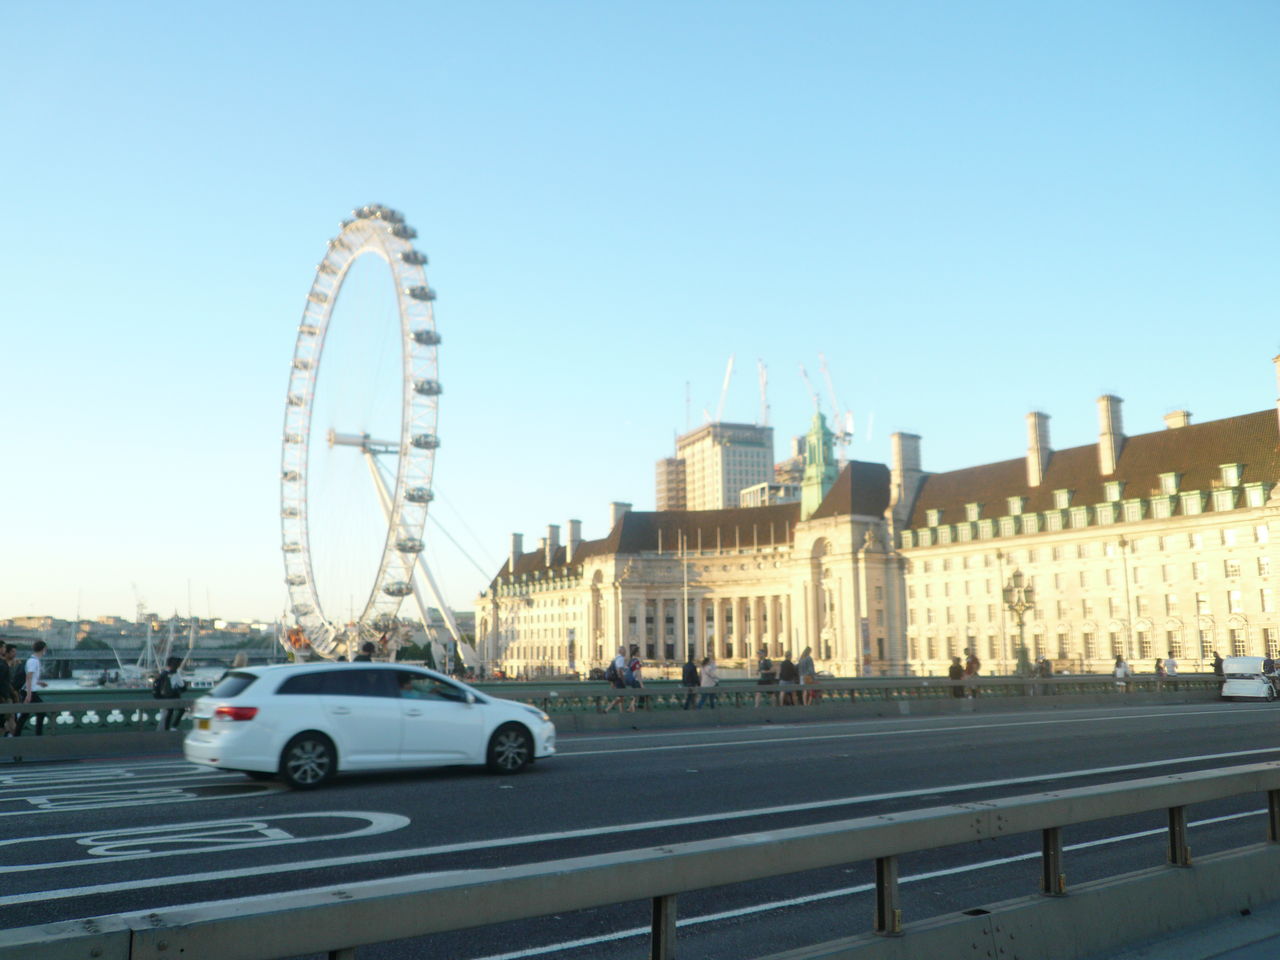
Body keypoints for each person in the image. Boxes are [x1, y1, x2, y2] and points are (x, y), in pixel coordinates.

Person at [15, 641, 49, 737]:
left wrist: (39, 683)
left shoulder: (32, 660)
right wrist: (29, 695)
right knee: (41, 712)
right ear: (43, 649)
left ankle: (16, 736)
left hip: (28, 691)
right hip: (29, 692)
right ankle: (38, 735)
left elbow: (30, 678)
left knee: (24, 715)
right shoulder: (33, 661)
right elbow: (28, 677)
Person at [155, 654, 191, 731]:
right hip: (172, 696)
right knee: (179, 710)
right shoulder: (173, 673)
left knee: (169, 712)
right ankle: (172, 727)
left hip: (165, 696)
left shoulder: (164, 673)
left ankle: (166, 729)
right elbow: (181, 685)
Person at [600, 646, 628, 714]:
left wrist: (612, 682)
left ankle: (622, 712)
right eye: (625, 651)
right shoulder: (621, 658)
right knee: (620, 697)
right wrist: (622, 679)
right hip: (618, 680)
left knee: (620, 696)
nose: (626, 652)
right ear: (621, 651)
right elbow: (619, 670)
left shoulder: (616, 658)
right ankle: (607, 709)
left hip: (614, 680)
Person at [0, 644, 16, 736]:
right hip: (4, 697)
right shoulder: (2, 665)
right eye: (4, 648)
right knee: (9, 718)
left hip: (5, 696)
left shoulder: (4, 664)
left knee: (6, 720)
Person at [626, 645, 645, 712]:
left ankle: (630, 708)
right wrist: (641, 684)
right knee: (638, 695)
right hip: (635, 680)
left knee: (635, 696)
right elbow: (638, 673)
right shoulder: (636, 661)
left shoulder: (630, 660)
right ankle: (633, 709)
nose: (640, 653)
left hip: (630, 680)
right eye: (639, 651)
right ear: (636, 652)